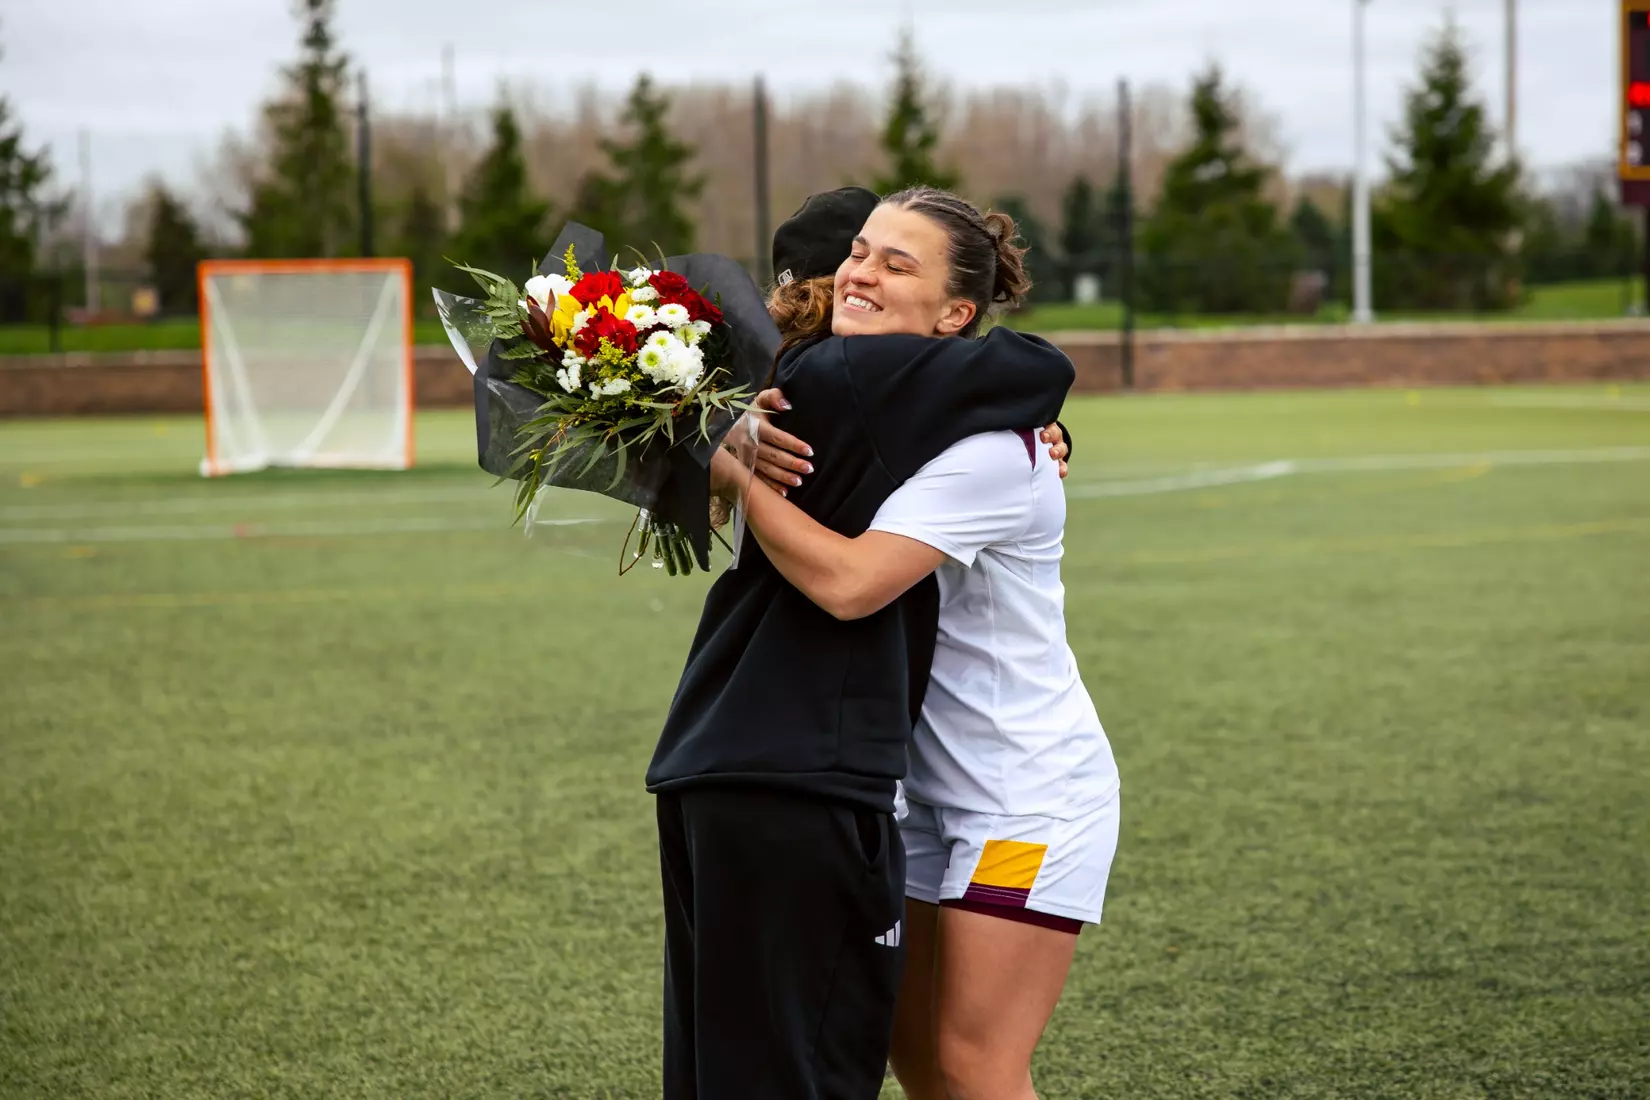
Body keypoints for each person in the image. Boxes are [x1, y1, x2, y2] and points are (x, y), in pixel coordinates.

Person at [648, 186, 1076, 1100]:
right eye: (861, 251)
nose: (861, 271)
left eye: (896, 261)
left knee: (973, 1065)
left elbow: (849, 583)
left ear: (958, 313)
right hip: (907, 789)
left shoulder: (991, 446)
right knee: (915, 1061)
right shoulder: (887, 412)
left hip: (1020, 804)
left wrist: (728, 465)